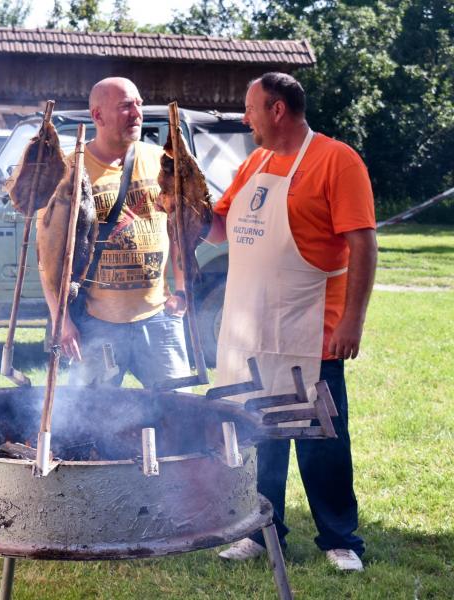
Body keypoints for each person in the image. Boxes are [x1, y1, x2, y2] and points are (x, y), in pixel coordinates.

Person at [210, 72, 377, 571]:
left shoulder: (336, 160)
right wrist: (184, 208)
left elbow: (363, 244)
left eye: (250, 108)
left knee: (320, 439)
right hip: (250, 331)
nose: (245, 118)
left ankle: (339, 538)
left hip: (312, 332)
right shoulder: (254, 162)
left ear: (277, 110)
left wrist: (353, 319)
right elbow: (217, 228)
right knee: (258, 432)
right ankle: (262, 530)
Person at [38, 76, 190, 388]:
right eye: (125, 107)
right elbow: (48, 258)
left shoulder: (161, 161)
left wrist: (183, 289)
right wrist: (61, 320)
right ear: (97, 116)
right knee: (92, 420)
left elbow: (178, 233)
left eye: (139, 104)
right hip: (96, 323)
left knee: (179, 412)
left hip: (159, 317)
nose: (136, 113)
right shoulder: (68, 171)